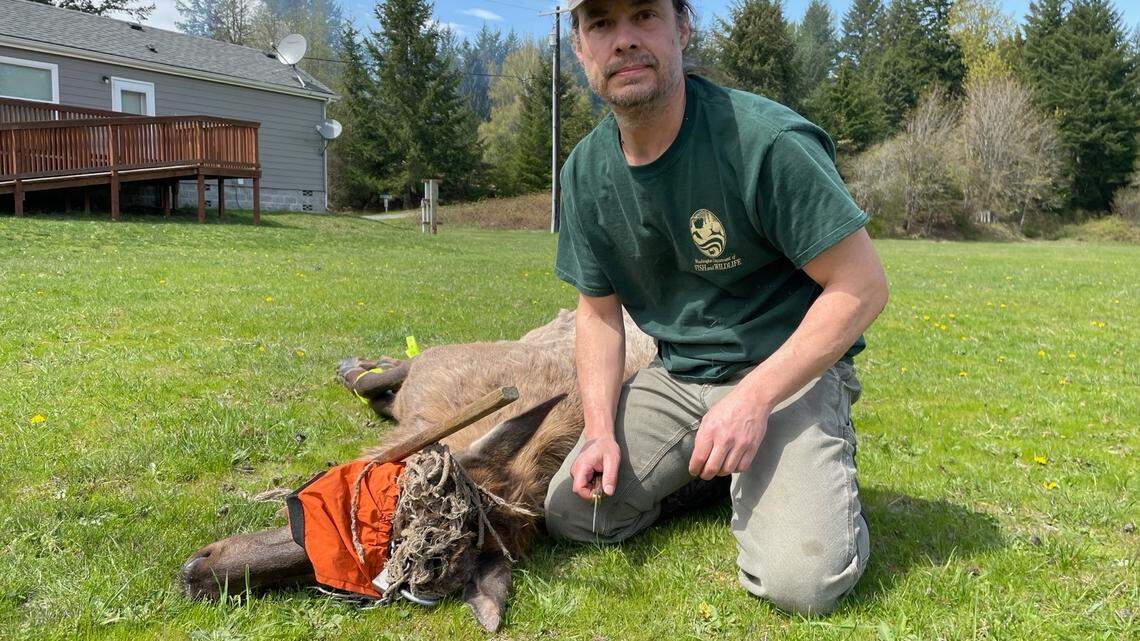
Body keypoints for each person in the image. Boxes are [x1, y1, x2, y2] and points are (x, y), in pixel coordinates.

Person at [543, 0, 890, 615]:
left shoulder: (765, 142)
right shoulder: (585, 173)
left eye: (644, 15)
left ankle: (818, 489)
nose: (623, 40)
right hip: (679, 375)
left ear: (682, 26)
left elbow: (861, 287)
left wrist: (752, 400)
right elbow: (596, 314)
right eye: (600, 23)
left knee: (802, 584)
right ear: (579, 47)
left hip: (784, 374)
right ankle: (718, 474)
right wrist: (598, 432)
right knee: (573, 514)